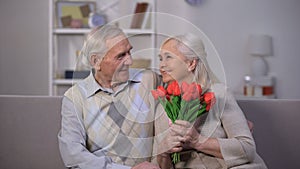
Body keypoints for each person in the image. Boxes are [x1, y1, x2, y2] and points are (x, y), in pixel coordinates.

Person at [153, 34, 267, 169]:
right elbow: (160, 166)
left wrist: (197, 141)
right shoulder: (162, 107)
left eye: (168, 57)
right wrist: (163, 152)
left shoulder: (219, 94)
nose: (161, 65)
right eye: (160, 59)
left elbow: (247, 148)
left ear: (191, 63)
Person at [58, 24, 161, 169]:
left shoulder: (148, 79)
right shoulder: (75, 98)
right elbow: (73, 156)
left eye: (129, 52)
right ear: (96, 62)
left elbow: (185, 92)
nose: (130, 61)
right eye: (120, 56)